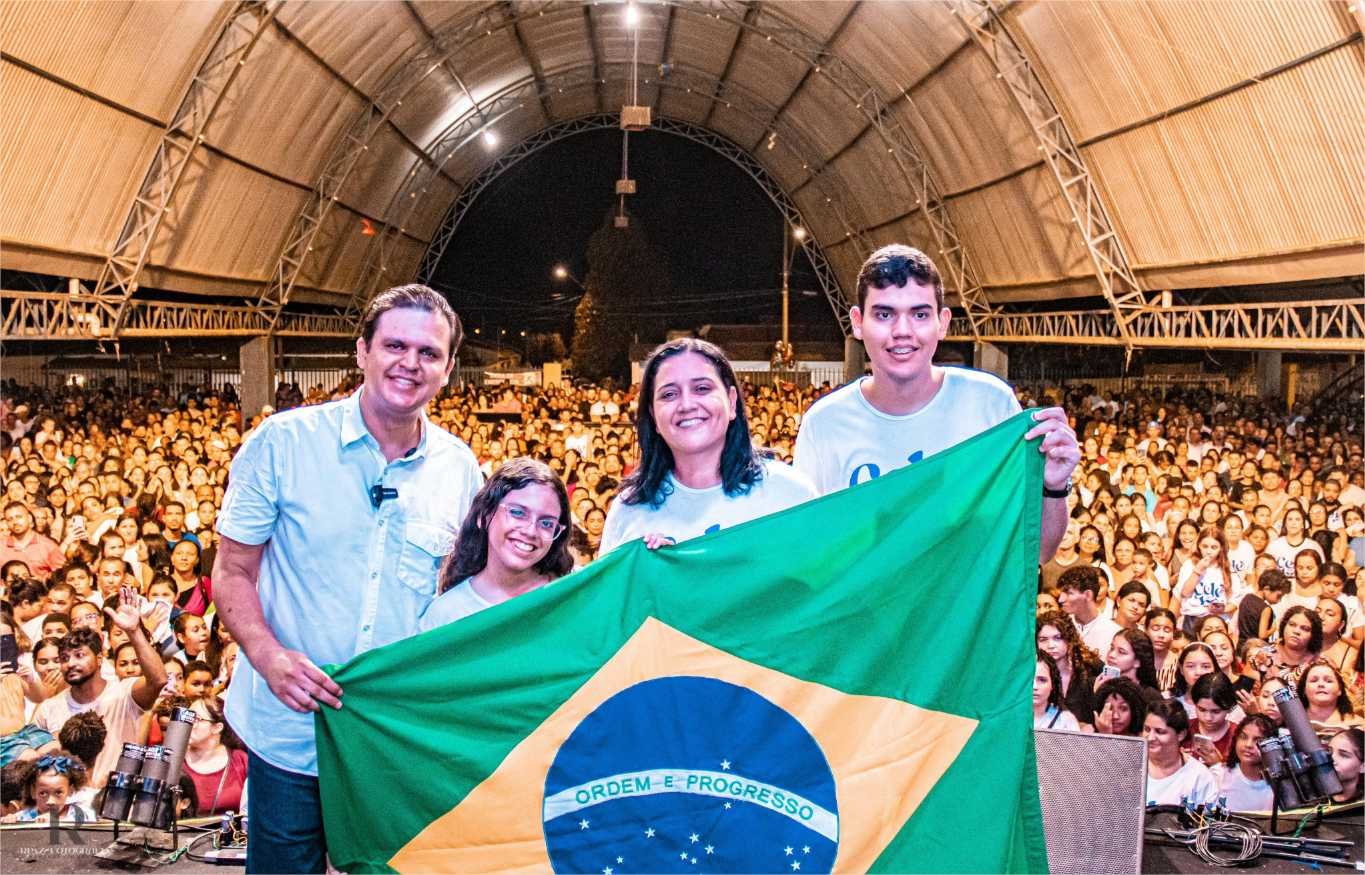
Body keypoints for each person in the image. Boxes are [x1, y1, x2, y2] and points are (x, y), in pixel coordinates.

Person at [213, 285, 482, 874]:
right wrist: (268, 656)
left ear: (448, 369)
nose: (410, 363)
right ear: (362, 352)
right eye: (395, 346)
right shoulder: (283, 443)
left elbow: (475, 593)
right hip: (291, 729)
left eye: (429, 353)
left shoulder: (459, 469)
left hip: (393, 738)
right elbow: (232, 571)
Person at [792, 245, 1079, 562]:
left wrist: (1053, 486)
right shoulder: (825, 423)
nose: (902, 331)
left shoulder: (989, 403)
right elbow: (805, 552)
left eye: (920, 315)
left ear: (942, 322)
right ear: (858, 322)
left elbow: (1037, 552)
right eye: (884, 314)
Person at [600, 338, 817, 554]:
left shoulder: (789, 493)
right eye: (669, 394)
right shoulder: (629, 512)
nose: (686, 405)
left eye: (702, 388)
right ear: (653, 415)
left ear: (731, 401)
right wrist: (659, 569)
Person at [416, 459, 573, 632]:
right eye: (518, 513)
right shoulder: (445, 615)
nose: (531, 531)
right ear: (484, 515)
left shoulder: (569, 598)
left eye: (546, 523)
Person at [31, 588, 166, 789]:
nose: (70, 664)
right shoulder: (48, 709)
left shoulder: (123, 693)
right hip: (69, 803)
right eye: (64, 658)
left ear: (100, 658)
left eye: (79, 655)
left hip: (115, 799)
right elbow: (34, 766)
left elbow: (158, 680)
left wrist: (134, 631)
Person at [1145, 700, 1218, 807]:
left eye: (1160, 731)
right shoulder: (1130, 766)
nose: (1150, 738)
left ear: (1181, 734)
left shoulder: (1200, 777)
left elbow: (1208, 816)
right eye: (1147, 729)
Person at [182, 697, 247, 815]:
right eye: (187, 717)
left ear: (217, 728)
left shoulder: (241, 761)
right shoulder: (175, 758)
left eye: (196, 719)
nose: (188, 723)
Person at [1037, 610, 1099, 728]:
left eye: (1058, 638)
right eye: (1043, 639)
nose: (1051, 645)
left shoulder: (1091, 667)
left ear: (1069, 638)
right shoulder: (1030, 672)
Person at [0, 752, 92, 823]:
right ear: (33, 791)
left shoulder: (81, 814)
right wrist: (10, 822)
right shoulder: (24, 817)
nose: (50, 801)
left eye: (58, 793)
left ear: (70, 791)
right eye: (43, 793)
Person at [1211, 715, 1275, 812]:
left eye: (1258, 740)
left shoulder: (1279, 784)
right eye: (1243, 737)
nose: (1248, 745)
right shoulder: (1219, 774)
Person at [1175, 526, 1231, 636]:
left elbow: (1233, 600)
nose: (1209, 551)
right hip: (1193, 618)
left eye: (1214, 547)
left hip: (1217, 620)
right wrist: (1198, 570)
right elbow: (1185, 593)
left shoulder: (1225, 567)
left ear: (1221, 548)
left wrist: (1222, 609)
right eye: (1205, 546)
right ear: (1199, 546)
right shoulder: (1190, 564)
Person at [1058, 566, 1121, 656]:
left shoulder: (1114, 633)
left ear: (1088, 595)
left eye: (1069, 593)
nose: (1061, 599)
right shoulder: (1059, 626)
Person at [1186, 672, 1239, 764]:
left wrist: (1218, 765)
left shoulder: (1238, 735)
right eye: (1202, 710)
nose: (1208, 718)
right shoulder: (1183, 729)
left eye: (1216, 711)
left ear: (1229, 708)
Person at [1297, 660, 1358, 728]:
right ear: (1304, 689)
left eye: (1329, 681)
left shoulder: (1357, 724)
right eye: (1314, 681)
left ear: (1340, 690)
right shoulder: (1292, 721)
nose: (1321, 684)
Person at [1033, 651, 1080, 731]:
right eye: (1028, 680)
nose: (1034, 686)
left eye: (1042, 680)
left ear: (1052, 684)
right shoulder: (1009, 717)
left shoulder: (1066, 722)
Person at [1327, 728, 1363, 804]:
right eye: (1329, 752)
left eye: (1343, 755)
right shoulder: (1316, 800)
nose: (1332, 759)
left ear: (1363, 766)